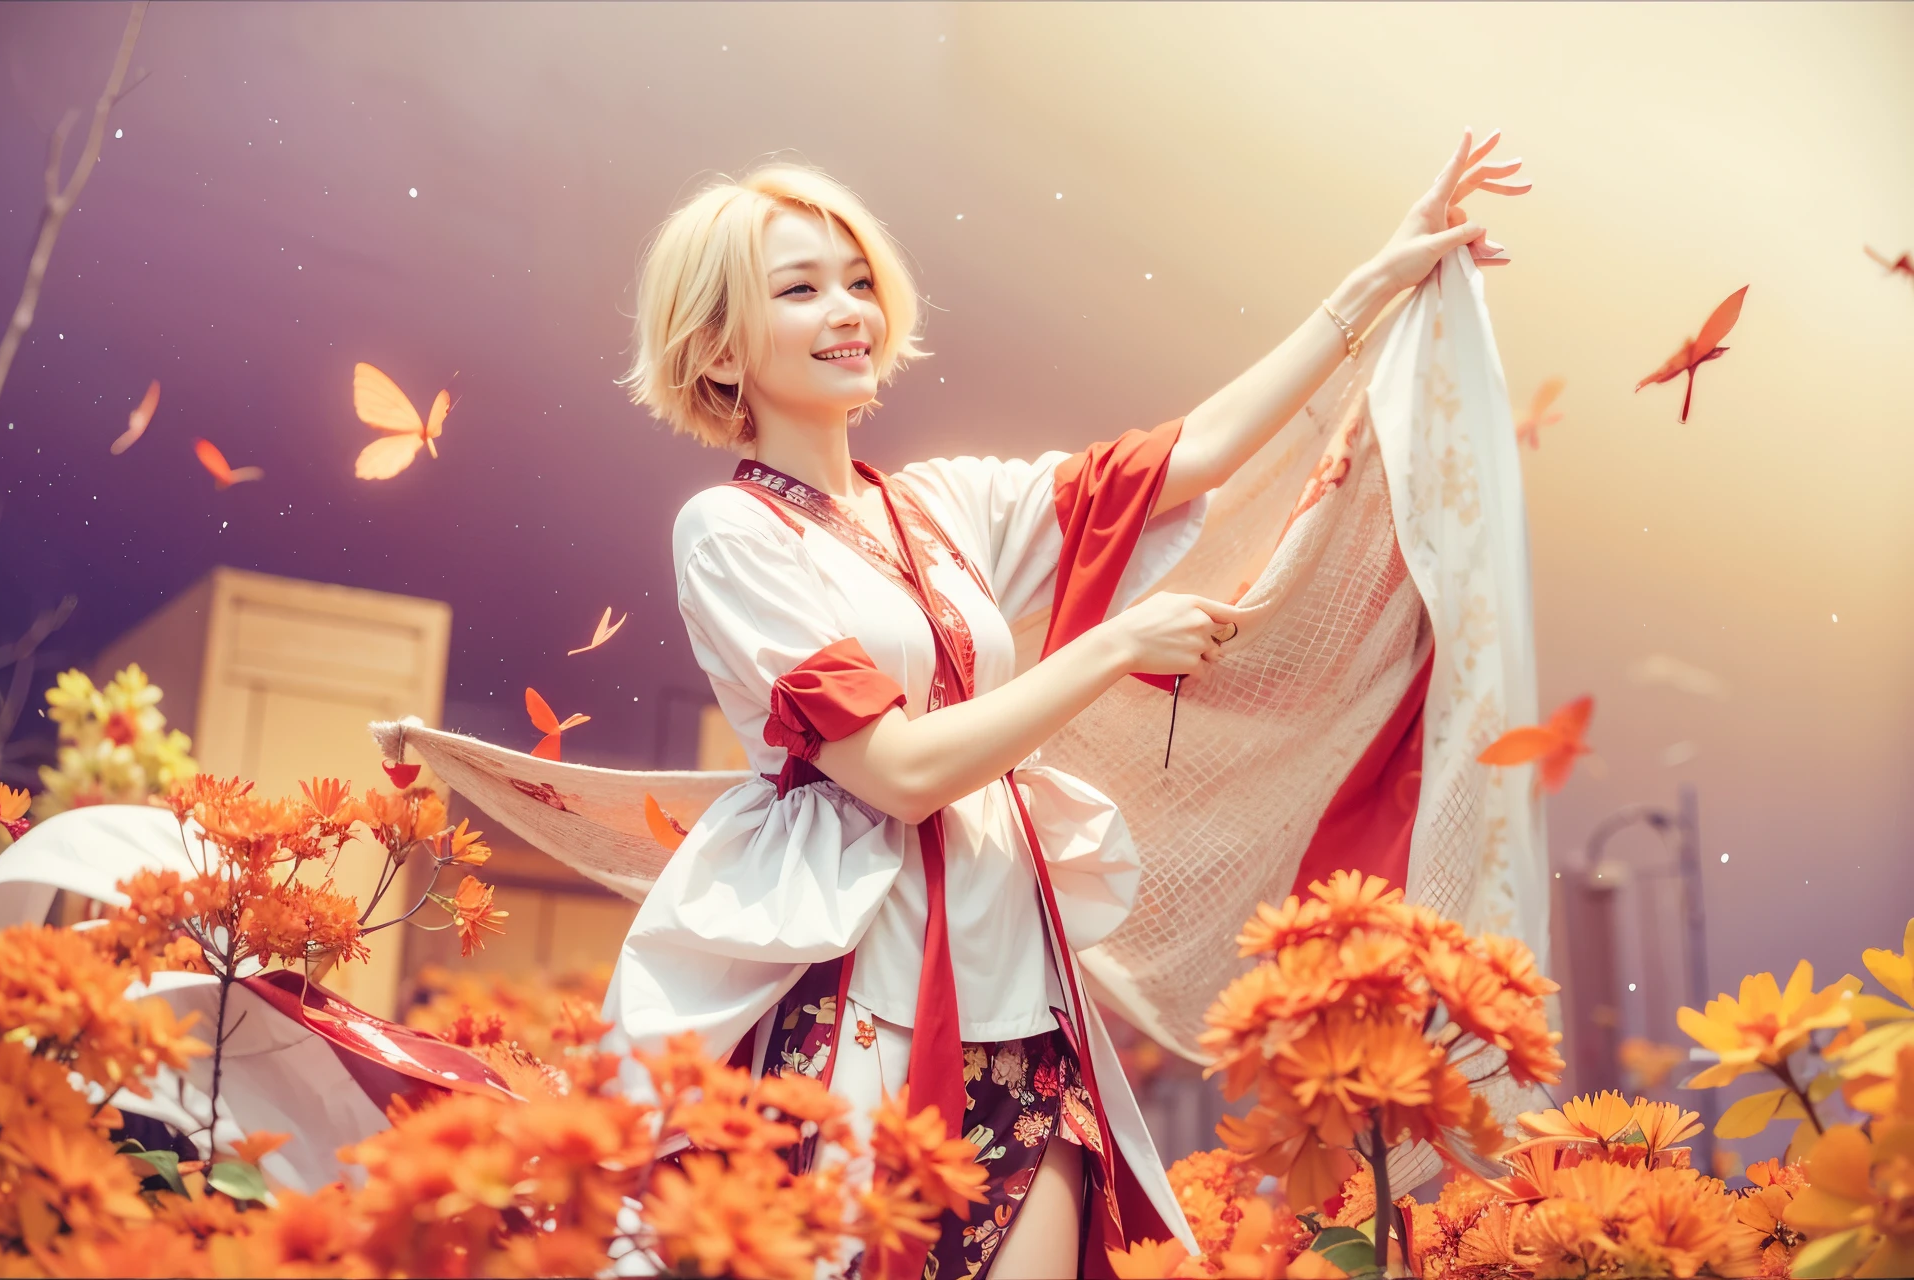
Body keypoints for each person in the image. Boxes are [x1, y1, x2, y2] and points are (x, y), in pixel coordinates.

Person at [602, 130, 1527, 1280]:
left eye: (856, 282)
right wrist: (1111, 647)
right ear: (718, 351)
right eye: (798, 289)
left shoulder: (945, 508)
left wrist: (1376, 278)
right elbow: (892, 770)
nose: (846, 309)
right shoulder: (730, 531)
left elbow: (1190, 453)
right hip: (849, 994)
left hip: (1021, 998)